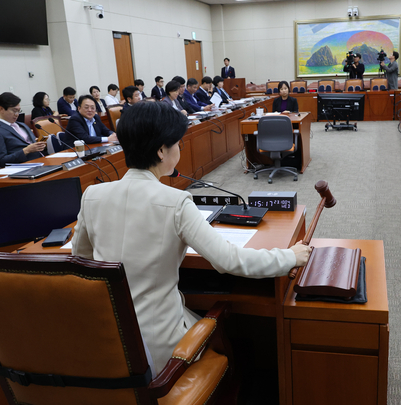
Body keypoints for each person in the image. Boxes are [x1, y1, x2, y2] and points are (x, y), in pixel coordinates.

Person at [71, 101, 311, 376]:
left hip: (107, 338)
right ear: (162, 151)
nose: (180, 149)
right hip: (159, 347)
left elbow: (81, 262)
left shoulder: (93, 195)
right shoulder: (176, 201)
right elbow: (230, 261)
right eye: (178, 143)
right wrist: (290, 256)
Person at [0, 92, 46, 167]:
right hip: (25, 166)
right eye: (14, 110)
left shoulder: (22, 125)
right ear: (1, 109)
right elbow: (2, 161)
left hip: (42, 160)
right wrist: (26, 151)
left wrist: (41, 143)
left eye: (19, 111)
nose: (17, 114)